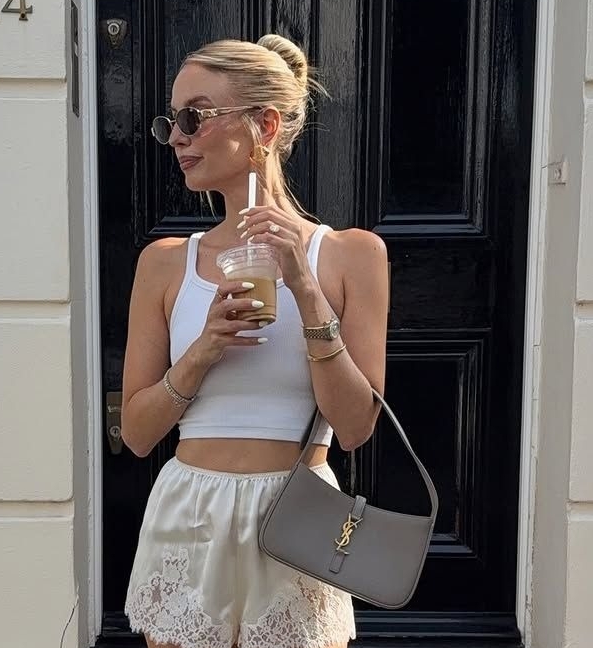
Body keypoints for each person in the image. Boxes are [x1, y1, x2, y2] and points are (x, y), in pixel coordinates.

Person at [120, 34, 389, 648]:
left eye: (194, 117)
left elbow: (354, 427)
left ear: (264, 126)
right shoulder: (165, 264)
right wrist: (204, 349)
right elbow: (136, 433)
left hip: (298, 513)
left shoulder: (350, 256)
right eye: (172, 121)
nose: (177, 137)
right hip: (191, 510)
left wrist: (305, 289)